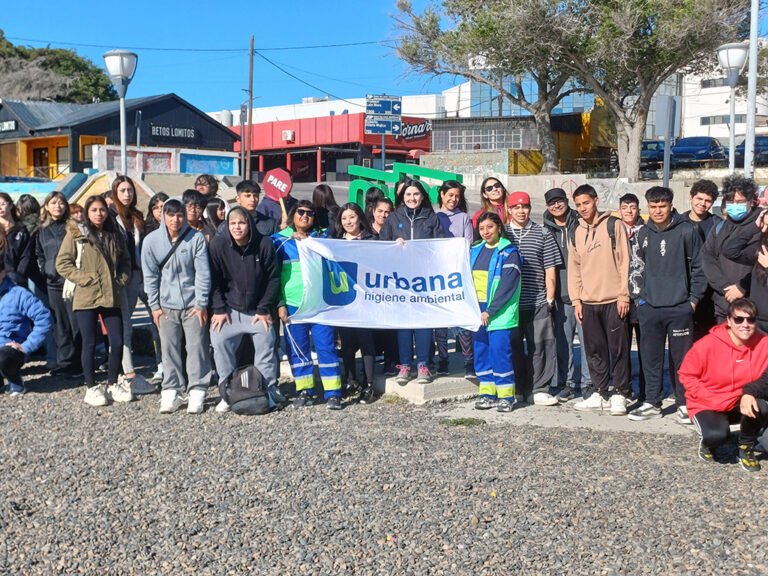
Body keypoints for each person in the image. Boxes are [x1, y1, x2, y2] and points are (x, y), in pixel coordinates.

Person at [628, 186, 706, 422]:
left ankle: (684, 403)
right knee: (650, 358)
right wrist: (639, 299)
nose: (658, 211)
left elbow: (699, 268)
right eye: (653, 206)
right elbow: (635, 267)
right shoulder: (642, 233)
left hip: (679, 307)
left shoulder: (687, 230)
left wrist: (693, 300)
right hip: (650, 307)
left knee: (682, 360)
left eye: (662, 206)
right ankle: (653, 402)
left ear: (671, 205)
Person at [56, 195, 132, 407]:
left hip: (111, 294)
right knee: (88, 343)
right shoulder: (76, 234)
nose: (99, 214)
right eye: (94, 210)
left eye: (102, 210)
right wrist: (84, 278)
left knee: (117, 341)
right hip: (86, 295)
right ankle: (91, 387)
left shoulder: (114, 233)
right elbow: (62, 263)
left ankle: (112, 383)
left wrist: (121, 279)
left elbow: (125, 260)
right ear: (87, 213)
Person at [679, 299, 768, 471]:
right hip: (709, 402)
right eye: (739, 319)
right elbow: (686, 374)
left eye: (750, 320)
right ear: (728, 320)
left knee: (761, 406)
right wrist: (710, 398)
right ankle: (708, 444)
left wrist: (749, 393)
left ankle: (745, 446)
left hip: (740, 400)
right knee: (716, 436)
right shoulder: (707, 345)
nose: (745, 324)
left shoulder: (764, 343)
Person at [142, 198, 212, 414]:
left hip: (193, 304)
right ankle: (171, 390)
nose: (175, 219)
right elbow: (150, 276)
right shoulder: (151, 241)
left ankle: (197, 389)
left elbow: (203, 273)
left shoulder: (196, 238)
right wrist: (154, 306)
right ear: (163, 215)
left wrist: (201, 303)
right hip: (166, 305)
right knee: (169, 349)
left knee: (197, 347)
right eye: (171, 215)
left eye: (180, 215)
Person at [209, 206, 280, 413]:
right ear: (227, 225)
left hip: (258, 311)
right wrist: (218, 309)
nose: (237, 227)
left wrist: (264, 308)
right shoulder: (218, 245)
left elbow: (273, 278)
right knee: (219, 341)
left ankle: (267, 391)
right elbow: (213, 280)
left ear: (249, 224)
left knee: (266, 343)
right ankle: (227, 393)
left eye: (241, 222)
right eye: (232, 223)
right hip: (229, 310)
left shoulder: (264, 244)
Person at [567, 185, 631, 415]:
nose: (582, 208)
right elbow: (574, 269)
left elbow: (625, 262)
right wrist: (576, 300)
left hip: (614, 299)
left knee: (619, 349)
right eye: (578, 205)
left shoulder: (614, 225)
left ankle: (621, 393)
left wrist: (624, 294)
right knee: (595, 350)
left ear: (595, 200)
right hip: (588, 302)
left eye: (586, 202)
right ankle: (600, 391)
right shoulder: (575, 231)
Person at [273, 200, 343, 409]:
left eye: (310, 213)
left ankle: (333, 393)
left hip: (320, 305)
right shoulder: (278, 241)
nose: (305, 216)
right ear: (292, 215)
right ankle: (305, 390)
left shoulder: (322, 239)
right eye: (301, 212)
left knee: (326, 347)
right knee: (298, 350)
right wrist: (280, 303)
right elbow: (272, 276)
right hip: (293, 305)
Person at [379, 178, 445, 384]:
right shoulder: (393, 218)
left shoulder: (431, 218)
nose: (412, 198)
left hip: (424, 280)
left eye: (416, 194)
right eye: (408, 194)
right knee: (404, 324)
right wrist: (394, 244)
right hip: (400, 280)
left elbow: (441, 246)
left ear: (422, 196)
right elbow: (381, 246)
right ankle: (405, 365)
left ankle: (423, 364)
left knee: (423, 323)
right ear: (402, 197)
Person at [504, 191, 561, 406]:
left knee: (541, 346)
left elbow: (550, 268)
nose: (521, 211)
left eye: (525, 207)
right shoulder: (503, 233)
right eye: (516, 207)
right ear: (509, 209)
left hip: (537, 300)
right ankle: (518, 387)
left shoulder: (543, 233)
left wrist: (550, 297)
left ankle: (539, 388)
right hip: (510, 303)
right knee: (514, 347)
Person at [542, 187, 592, 402]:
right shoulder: (545, 229)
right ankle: (567, 383)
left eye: (559, 201)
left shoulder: (580, 223)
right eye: (552, 203)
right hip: (560, 295)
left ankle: (588, 383)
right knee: (563, 343)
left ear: (566, 201)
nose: (556, 205)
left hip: (584, 293)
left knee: (588, 342)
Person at [471, 212, 522, 413]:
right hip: (477, 311)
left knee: (500, 353)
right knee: (481, 352)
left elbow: (508, 286)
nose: (486, 232)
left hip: (499, 313)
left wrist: (490, 311)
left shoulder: (509, 252)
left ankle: (506, 397)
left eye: (490, 227)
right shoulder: (474, 250)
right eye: (482, 228)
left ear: (499, 228)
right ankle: (487, 394)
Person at [109, 176, 155, 395]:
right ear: (115, 193)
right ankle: (128, 373)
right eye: (122, 190)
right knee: (124, 324)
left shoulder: (136, 216)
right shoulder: (111, 217)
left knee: (143, 319)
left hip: (138, 275)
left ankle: (127, 370)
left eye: (129, 190)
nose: (127, 194)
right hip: (121, 277)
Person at [334, 202, 378, 404]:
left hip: (366, 299)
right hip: (344, 298)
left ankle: (369, 384)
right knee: (347, 341)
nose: (348, 221)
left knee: (366, 340)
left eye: (352, 217)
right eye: (344, 218)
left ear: (360, 218)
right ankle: (351, 379)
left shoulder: (372, 240)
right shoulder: (335, 242)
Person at [702, 175, 761, 324]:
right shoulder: (719, 227)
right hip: (724, 304)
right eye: (730, 202)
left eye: (740, 202)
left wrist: (742, 287)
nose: (735, 206)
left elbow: (762, 265)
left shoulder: (762, 226)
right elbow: (708, 259)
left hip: (755, 308)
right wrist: (725, 288)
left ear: (751, 201)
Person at [36, 192, 81, 377]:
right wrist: (44, 270)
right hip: (52, 282)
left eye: (61, 202)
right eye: (53, 203)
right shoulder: (42, 230)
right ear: (47, 206)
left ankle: (79, 362)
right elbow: (39, 254)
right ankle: (65, 362)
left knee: (75, 322)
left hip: (71, 282)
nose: (58, 206)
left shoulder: (73, 227)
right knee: (60, 324)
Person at [435, 180, 474, 378]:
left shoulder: (464, 217)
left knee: (462, 321)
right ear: (442, 194)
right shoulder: (433, 216)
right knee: (440, 321)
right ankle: (443, 360)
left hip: (458, 274)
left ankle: (468, 362)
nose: (453, 199)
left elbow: (468, 245)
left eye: (457, 196)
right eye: (450, 195)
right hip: (437, 275)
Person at [0, 258, 52, 395]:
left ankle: (15, 382)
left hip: (11, 350)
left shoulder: (19, 294)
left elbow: (44, 318)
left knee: (3, 357)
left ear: (3, 272)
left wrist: (26, 346)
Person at [618, 193, 646, 402]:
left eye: (633, 207)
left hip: (643, 297)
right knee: (622, 347)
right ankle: (624, 389)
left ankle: (647, 391)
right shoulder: (615, 230)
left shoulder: (647, 231)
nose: (629, 211)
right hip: (620, 296)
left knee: (646, 348)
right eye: (625, 207)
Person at [0, 193, 33, 283]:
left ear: (10, 205)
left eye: (3, 204)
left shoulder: (21, 229)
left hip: (17, 278)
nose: (0, 208)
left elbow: (26, 255)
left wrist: (18, 275)